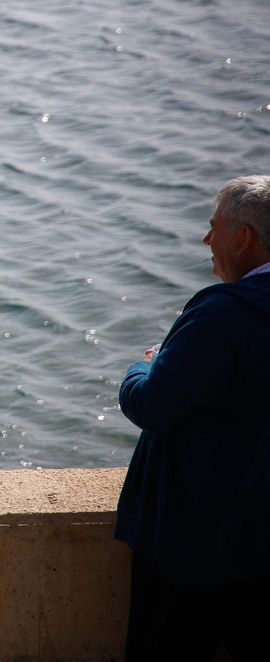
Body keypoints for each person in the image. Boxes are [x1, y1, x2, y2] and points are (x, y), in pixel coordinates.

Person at [114, 175, 270, 662]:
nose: (207, 240)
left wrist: (144, 365)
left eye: (214, 227)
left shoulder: (224, 313)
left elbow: (152, 405)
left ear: (243, 237)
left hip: (196, 543)